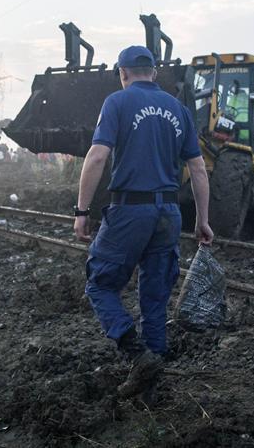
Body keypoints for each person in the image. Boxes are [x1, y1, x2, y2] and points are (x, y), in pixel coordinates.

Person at [74, 45, 213, 404]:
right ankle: (151, 390)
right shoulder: (179, 110)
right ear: (154, 72)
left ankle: (137, 355)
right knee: (155, 297)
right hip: (168, 213)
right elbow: (198, 169)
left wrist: (81, 210)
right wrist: (202, 220)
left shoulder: (117, 102)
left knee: (100, 284)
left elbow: (98, 156)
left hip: (130, 211)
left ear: (122, 73)